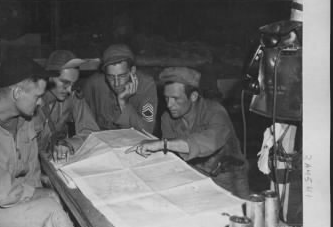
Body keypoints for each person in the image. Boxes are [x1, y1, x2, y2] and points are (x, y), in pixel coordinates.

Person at [0, 56, 76, 227]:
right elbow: (1, 191)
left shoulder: (24, 117)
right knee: (51, 212)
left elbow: (31, 172)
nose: (41, 102)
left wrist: (42, 191)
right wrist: (39, 194)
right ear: (17, 93)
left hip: (11, 198)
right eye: (38, 96)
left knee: (57, 202)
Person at [126, 67, 250, 199]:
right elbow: (172, 156)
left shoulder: (215, 112)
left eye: (176, 99)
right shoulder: (167, 118)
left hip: (229, 178)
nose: (169, 105)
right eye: (166, 98)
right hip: (194, 174)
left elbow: (211, 141)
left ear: (193, 96)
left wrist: (163, 144)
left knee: (243, 214)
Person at [34, 50, 100, 162]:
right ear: (49, 76)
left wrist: (68, 144)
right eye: (65, 82)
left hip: (56, 161)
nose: (69, 90)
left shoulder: (73, 95)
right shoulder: (30, 100)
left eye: (73, 84)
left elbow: (91, 132)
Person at [83, 44, 157, 134]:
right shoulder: (93, 84)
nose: (116, 83)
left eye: (122, 76)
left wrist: (124, 104)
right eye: (110, 76)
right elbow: (85, 126)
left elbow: (147, 132)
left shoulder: (146, 86)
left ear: (132, 71)